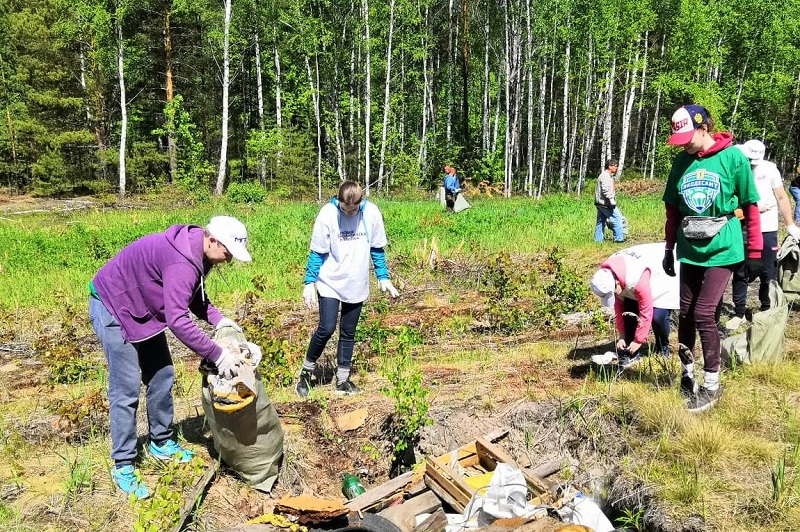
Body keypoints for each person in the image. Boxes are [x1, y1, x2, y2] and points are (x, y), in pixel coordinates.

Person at [89, 216, 254, 499]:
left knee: (162, 374)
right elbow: (178, 320)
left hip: (143, 308)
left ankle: (161, 442)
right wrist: (217, 354)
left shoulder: (200, 253)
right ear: (212, 240)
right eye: (227, 252)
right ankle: (124, 464)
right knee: (126, 389)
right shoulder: (181, 262)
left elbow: (195, 298)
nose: (228, 260)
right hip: (113, 306)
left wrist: (221, 320)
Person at [662, 104, 763, 413]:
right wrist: (669, 249)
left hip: (722, 246)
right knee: (687, 312)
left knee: (705, 313)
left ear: (704, 129)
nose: (684, 145)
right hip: (690, 247)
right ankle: (687, 375)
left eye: (688, 138)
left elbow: (751, 205)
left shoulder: (733, 158)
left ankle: (712, 385)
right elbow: (672, 211)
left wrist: (756, 251)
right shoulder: (682, 162)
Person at [297, 181, 399, 397]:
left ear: (361, 202)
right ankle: (306, 372)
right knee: (326, 327)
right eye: (346, 209)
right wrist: (309, 281)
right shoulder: (327, 214)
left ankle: (342, 380)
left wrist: (383, 276)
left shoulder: (371, 213)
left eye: (354, 209)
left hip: (356, 281)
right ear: (339, 201)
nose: (350, 213)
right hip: (330, 281)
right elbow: (317, 252)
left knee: (348, 332)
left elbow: (377, 248)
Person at [726, 140, 800, 330]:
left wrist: (790, 224)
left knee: (768, 271)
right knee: (741, 270)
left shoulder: (770, 170)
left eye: (754, 161)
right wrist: (750, 209)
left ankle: (767, 308)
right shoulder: (735, 168)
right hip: (743, 226)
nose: (751, 164)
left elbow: (782, 197)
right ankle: (739, 312)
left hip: (767, 228)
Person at [589, 243, 680, 368]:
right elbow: (619, 308)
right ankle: (630, 348)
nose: (614, 295)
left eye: (613, 292)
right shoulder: (608, 276)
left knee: (658, 315)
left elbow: (646, 310)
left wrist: (639, 340)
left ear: (616, 282)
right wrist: (622, 335)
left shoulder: (636, 278)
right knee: (629, 305)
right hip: (641, 273)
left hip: (662, 272)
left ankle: (663, 348)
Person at [594, 159, 625, 243]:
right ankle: (619, 239)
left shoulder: (606, 175)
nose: (616, 167)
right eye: (615, 166)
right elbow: (605, 190)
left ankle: (598, 241)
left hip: (600, 203)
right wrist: (611, 201)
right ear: (609, 166)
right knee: (617, 218)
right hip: (605, 203)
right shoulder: (605, 176)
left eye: (617, 165)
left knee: (600, 221)